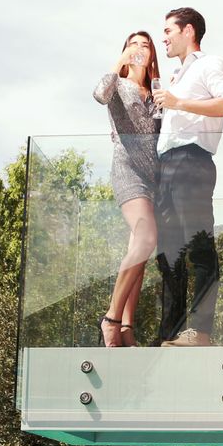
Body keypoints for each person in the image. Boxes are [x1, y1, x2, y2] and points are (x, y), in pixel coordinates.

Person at [151, 7, 223, 347]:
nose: (164, 38)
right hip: (166, 167)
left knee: (199, 247)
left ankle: (201, 332)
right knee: (168, 254)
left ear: (188, 31)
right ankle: (169, 335)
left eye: (168, 31)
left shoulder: (209, 65)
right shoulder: (175, 76)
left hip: (193, 161)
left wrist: (180, 102)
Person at [93, 31, 162, 347]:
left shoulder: (157, 91)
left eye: (145, 45)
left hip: (154, 179)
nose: (139, 49)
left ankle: (126, 329)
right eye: (132, 44)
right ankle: (111, 319)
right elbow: (99, 94)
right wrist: (120, 63)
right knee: (147, 239)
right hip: (128, 171)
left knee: (141, 250)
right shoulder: (118, 86)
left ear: (152, 56)